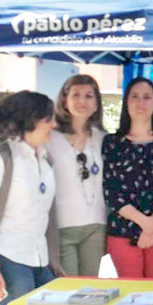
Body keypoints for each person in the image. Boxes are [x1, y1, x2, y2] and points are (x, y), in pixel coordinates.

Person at [0, 90, 60, 305]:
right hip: (10, 257)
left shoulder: (45, 160)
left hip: (41, 258)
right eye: (48, 120)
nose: (54, 125)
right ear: (30, 121)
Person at [102, 78, 153, 279]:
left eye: (147, 97)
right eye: (135, 97)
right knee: (130, 295)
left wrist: (152, 225)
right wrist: (143, 223)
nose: (141, 103)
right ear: (126, 102)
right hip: (123, 230)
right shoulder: (112, 143)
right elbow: (112, 191)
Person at [45, 74, 106, 276]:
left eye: (89, 96)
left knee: (90, 291)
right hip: (62, 227)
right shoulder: (49, 137)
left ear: (96, 103)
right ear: (64, 100)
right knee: (67, 293)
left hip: (95, 226)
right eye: (76, 95)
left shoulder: (103, 138)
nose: (82, 101)